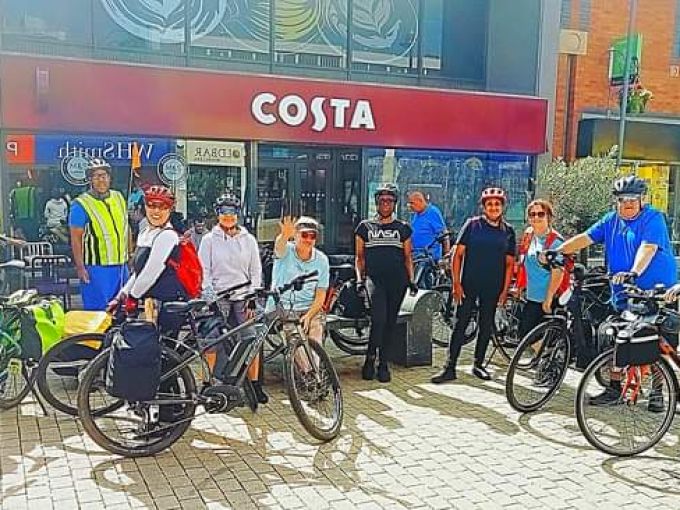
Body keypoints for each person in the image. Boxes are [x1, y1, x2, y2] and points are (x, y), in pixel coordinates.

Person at [553, 175, 677, 406]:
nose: (627, 203)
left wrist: (634, 272)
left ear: (642, 199)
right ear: (616, 201)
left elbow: (648, 248)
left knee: (657, 340)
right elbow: (584, 238)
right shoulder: (610, 220)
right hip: (624, 293)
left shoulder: (653, 218)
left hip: (656, 292)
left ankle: (658, 391)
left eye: (632, 199)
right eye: (622, 199)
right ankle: (614, 388)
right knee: (616, 338)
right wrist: (556, 252)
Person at [432, 187, 516, 383]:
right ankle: (449, 367)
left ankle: (478, 365)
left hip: (493, 285)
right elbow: (457, 255)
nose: (493, 207)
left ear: (502, 207)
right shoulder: (472, 225)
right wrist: (456, 283)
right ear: (484, 207)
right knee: (460, 324)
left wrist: (505, 291)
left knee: (486, 326)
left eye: (497, 204)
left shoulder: (508, 231)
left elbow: (510, 264)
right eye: (490, 204)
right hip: (469, 283)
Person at [199, 192, 267, 404]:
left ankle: (254, 385)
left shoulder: (248, 240)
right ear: (217, 213)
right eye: (223, 212)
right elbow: (204, 272)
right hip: (218, 295)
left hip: (243, 294)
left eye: (232, 212)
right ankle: (207, 383)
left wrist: (253, 296)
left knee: (251, 338)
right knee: (211, 340)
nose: (228, 216)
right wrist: (210, 298)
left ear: (238, 214)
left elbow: (256, 271)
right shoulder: (209, 240)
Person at [356, 184, 417, 383]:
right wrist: (359, 279)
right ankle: (370, 358)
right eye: (382, 200)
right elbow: (359, 257)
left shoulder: (403, 228)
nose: (385, 204)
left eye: (389, 201)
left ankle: (383, 363)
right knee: (379, 319)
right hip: (375, 280)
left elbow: (407, 257)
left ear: (394, 204)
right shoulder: (364, 227)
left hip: (397, 281)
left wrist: (412, 280)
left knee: (391, 322)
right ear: (376, 203)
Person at [109, 186, 187, 334]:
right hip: (148, 301)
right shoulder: (145, 233)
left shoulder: (167, 235)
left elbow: (151, 271)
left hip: (166, 303)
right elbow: (139, 271)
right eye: (151, 205)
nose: (156, 211)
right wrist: (122, 295)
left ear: (170, 210)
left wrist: (133, 296)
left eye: (163, 207)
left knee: (161, 346)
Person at [69, 158, 129, 311]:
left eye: (104, 176)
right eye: (96, 176)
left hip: (121, 265)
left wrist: (131, 254)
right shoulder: (80, 204)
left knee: (123, 309)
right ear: (90, 180)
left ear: (109, 178)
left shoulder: (118, 197)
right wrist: (80, 268)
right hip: (97, 268)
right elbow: (76, 239)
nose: (101, 180)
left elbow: (126, 227)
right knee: (98, 312)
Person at [272, 216, 330, 346]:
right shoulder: (286, 250)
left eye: (312, 236)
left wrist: (309, 316)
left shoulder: (322, 260)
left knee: (315, 345)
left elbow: (321, 295)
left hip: (310, 309)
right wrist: (285, 235)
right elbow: (279, 246)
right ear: (295, 235)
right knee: (298, 347)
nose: (308, 239)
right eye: (304, 235)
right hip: (285, 308)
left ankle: (314, 360)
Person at [516, 199, 564, 339]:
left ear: (549, 217)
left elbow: (558, 272)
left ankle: (548, 354)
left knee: (530, 336)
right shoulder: (529, 235)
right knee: (528, 335)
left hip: (546, 299)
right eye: (532, 214)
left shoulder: (555, 242)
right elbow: (524, 261)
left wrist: (548, 299)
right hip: (531, 296)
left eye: (541, 214)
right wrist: (520, 286)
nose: (536, 217)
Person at [408, 190, 450, 289]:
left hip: (427, 259)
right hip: (415, 256)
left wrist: (446, 256)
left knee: (419, 284)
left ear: (420, 201)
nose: (410, 206)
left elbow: (444, 234)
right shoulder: (417, 214)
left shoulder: (432, 212)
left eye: (412, 203)